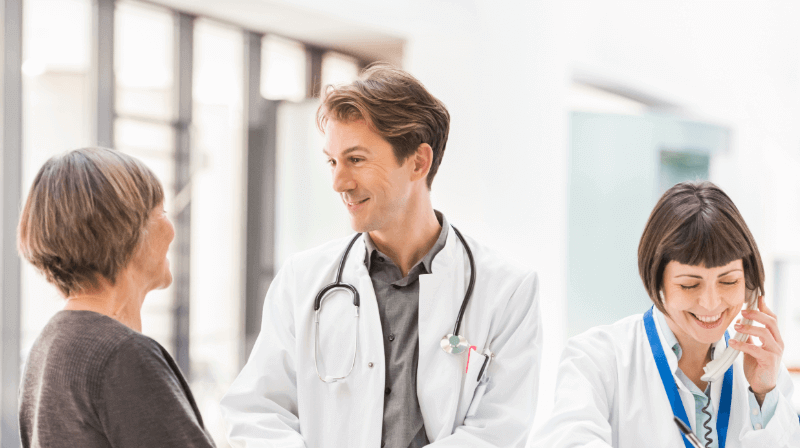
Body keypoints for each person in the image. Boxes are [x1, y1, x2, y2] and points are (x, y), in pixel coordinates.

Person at [221, 64, 542, 448]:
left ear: (418, 162)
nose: (339, 182)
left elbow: (499, 430)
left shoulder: (507, 290)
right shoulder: (302, 280)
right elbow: (258, 410)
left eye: (356, 160)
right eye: (333, 161)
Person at [530, 181, 800, 448]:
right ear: (657, 281)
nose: (710, 303)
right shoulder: (596, 359)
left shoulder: (763, 373)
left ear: (749, 284)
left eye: (728, 281)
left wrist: (764, 394)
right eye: (689, 285)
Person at [17, 147, 216, 448]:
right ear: (127, 230)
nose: (172, 231)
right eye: (161, 213)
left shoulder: (47, 346)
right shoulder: (123, 356)